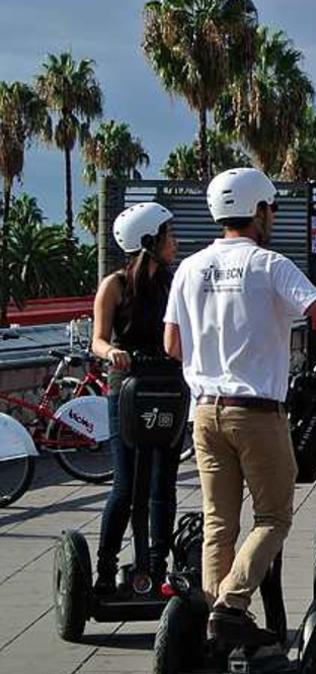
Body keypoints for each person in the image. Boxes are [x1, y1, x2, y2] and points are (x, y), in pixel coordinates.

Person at [163, 167, 316, 647]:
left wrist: (214, 357)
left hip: (204, 411)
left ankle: (213, 625)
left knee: (218, 523)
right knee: (273, 517)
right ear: (260, 211)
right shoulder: (267, 264)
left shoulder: (189, 268)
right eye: (271, 209)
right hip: (256, 411)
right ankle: (230, 604)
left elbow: (171, 343)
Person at [90, 202, 181, 595]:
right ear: (149, 240)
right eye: (168, 236)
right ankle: (106, 570)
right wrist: (112, 353)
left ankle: (158, 566)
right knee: (126, 485)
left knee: (164, 481)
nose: (174, 243)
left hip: (168, 385)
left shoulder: (174, 282)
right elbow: (98, 338)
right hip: (126, 387)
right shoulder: (115, 284)